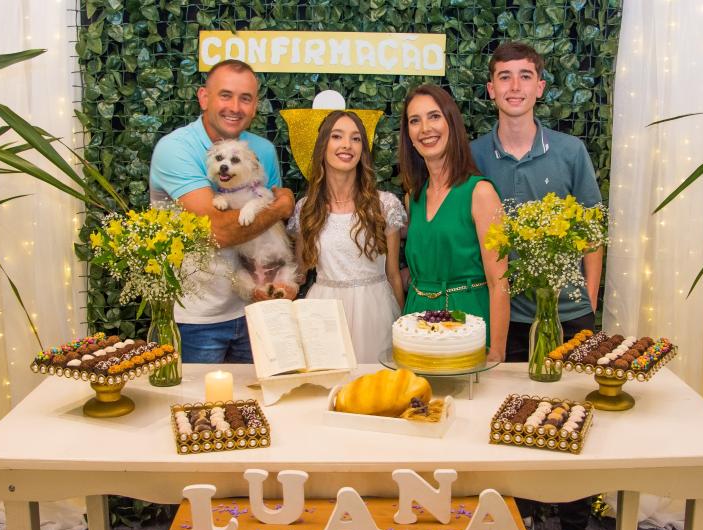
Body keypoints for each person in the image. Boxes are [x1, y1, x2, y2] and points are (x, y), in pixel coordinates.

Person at [470, 41, 603, 530]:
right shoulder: (477, 155)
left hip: (569, 315)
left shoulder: (571, 151)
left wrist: (587, 299)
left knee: (572, 419)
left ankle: (572, 525)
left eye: (525, 76)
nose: (515, 86)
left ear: (540, 87)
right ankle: (520, 516)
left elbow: (592, 231)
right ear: (491, 90)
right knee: (512, 419)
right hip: (509, 316)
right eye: (505, 77)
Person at [149, 59, 296, 363]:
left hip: (256, 307)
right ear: (204, 97)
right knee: (199, 407)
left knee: (256, 405)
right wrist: (280, 206)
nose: (235, 107)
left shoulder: (262, 152)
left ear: (255, 106)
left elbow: (271, 232)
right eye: (225, 95)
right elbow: (218, 231)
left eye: (245, 98)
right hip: (198, 317)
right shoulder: (176, 148)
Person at [399, 84, 509, 363]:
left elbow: (500, 284)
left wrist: (496, 352)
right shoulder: (413, 197)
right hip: (418, 325)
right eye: (415, 120)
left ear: (451, 123)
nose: (425, 128)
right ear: (409, 135)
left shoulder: (481, 193)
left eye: (434, 116)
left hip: (468, 323)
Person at [288, 111, 406, 363]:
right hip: (323, 312)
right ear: (323, 146)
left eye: (355, 139)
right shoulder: (306, 208)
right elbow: (299, 273)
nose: (346, 145)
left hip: (374, 310)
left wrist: (403, 327)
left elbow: (393, 274)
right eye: (337, 136)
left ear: (363, 150)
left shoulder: (385, 205)